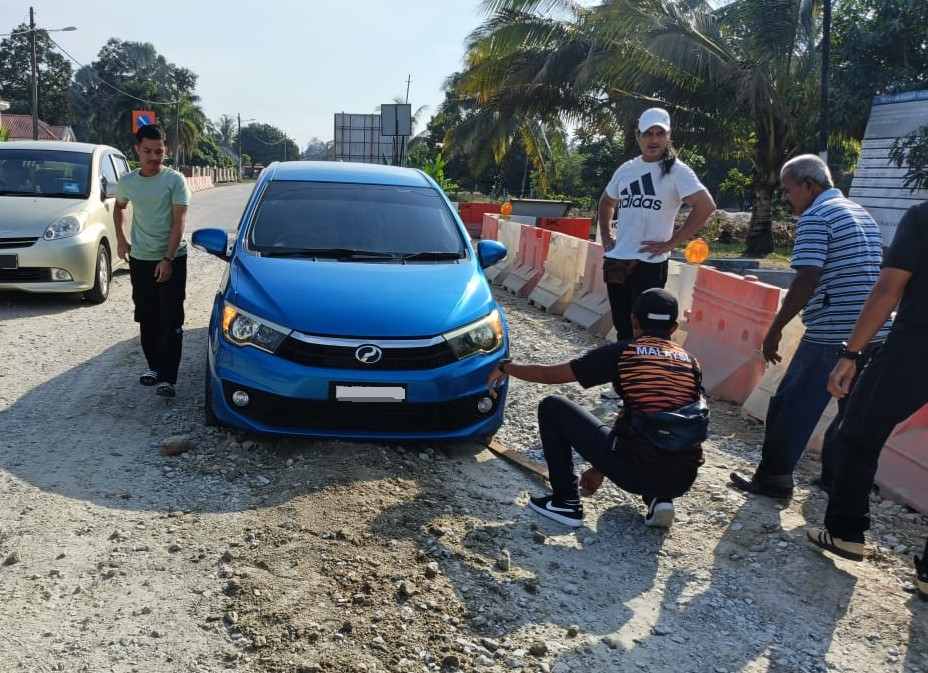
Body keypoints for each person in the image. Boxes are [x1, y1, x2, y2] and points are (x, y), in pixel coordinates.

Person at [730, 154, 890, 499]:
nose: (785, 199)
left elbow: (807, 278)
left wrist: (775, 329)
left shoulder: (817, 216)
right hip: (874, 332)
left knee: (792, 403)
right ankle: (835, 479)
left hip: (832, 332)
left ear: (809, 185)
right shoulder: (861, 215)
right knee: (851, 413)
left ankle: (773, 478)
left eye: (787, 191)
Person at [487, 288, 707, 529]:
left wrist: (507, 367)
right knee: (658, 422)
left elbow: (548, 374)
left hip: (636, 472)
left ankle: (566, 502)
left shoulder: (624, 352)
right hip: (682, 477)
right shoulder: (692, 362)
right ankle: (660, 497)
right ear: (674, 328)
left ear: (633, 320)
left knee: (552, 407)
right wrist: (600, 466)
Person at [805, 201, 927, 578]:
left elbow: (888, 290)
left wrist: (850, 353)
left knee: (856, 433)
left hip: (915, 349)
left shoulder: (922, 218)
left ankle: (846, 532)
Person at [597, 107, 716, 342]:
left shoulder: (677, 172)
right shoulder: (627, 169)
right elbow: (606, 201)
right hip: (619, 260)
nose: (654, 139)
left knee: (647, 332)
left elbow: (705, 206)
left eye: (659, 134)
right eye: (648, 133)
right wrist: (606, 235)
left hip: (650, 263)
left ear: (668, 135)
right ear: (637, 136)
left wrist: (672, 242)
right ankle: (624, 376)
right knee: (623, 328)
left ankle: (646, 374)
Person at [114, 125, 192, 398]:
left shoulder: (175, 180)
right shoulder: (128, 181)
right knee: (147, 316)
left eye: (158, 152)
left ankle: (168, 378)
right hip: (141, 259)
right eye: (147, 151)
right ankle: (154, 368)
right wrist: (121, 239)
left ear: (165, 150)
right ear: (137, 149)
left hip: (172, 258)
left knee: (171, 317)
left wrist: (168, 259)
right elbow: (119, 207)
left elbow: (178, 222)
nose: (153, 157)